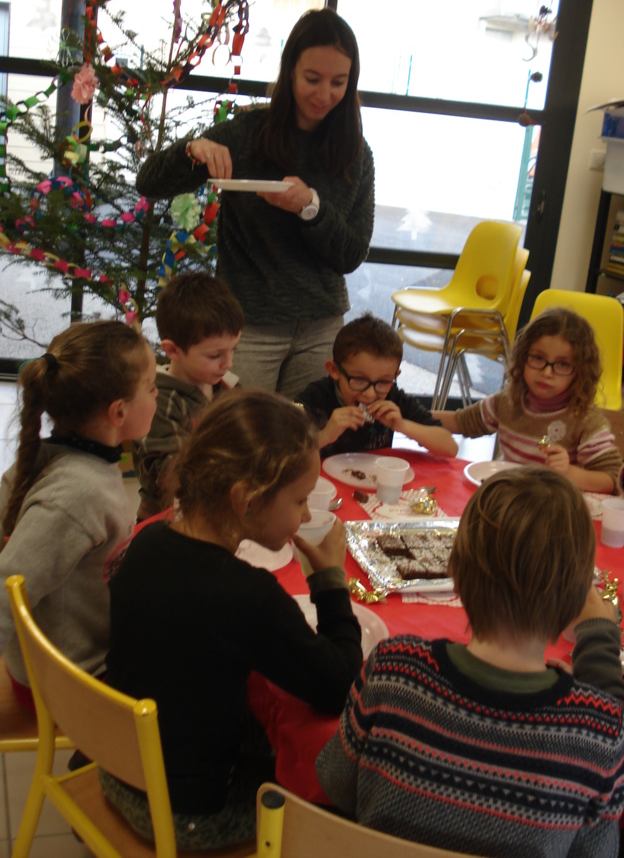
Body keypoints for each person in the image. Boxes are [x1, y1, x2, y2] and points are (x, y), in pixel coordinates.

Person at [103, 390, 363, 851]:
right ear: (246, 499)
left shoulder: (148, 542)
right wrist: (330, 581)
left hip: (117, 763)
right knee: (341, 796)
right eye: (300, 501)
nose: (305, 516)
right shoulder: (248, 595)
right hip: (189, 809)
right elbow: (339, 685)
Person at [316, 467, 624, 856]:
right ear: (578, 600)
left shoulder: (394, 669)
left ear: (454, 573)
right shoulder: (598, 730)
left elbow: (335, 784)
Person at [136, 8, 375, 399]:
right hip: (245, 327)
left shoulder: (355, 152)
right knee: (238, 442)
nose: (324, 94)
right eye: (312, 79)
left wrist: (310, 207)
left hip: (321, 325)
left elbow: (351, 254)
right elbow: (149, 182)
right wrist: (193, 150)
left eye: (339, 82)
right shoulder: (248, 134)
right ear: (290, 71)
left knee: (303, 440)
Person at [0, 320, 157, 707]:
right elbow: (4, 590)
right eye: (153, 388)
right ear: (118, 411)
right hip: (72, 678)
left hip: (72, 656)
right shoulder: (75, 498)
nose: (158, 396)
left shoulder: (62, 461)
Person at [434, 307, 621, 493]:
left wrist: (569, 472)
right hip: (511, 498)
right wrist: (412, 414)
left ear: (580, 371)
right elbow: (461, 422)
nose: (547, 372)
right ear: (523, 358)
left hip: (556, 509)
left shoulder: (586, 420)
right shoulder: (508, 402)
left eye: (562, 364)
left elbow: (611, 480)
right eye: (538, 358)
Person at [132, 271, 244, 520]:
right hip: (165, 517)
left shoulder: (224, 386)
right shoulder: (159, 402)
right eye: (215, 355)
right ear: (173, 350)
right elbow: (171, 477)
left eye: (233, 349)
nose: (228, 363)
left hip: (213, 507)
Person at [295, 313, 458, 458]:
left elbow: (450, 448)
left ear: (395, 376)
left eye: (383, 382)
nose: (370, 394)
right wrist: (324, 436)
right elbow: (280, 452)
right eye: (359, 380)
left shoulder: (395, 399)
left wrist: (402, 425)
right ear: (335, 370)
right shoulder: (315, 397)